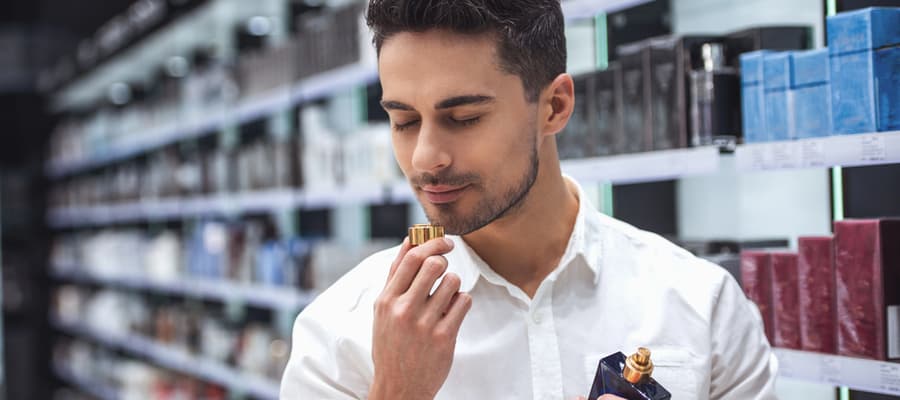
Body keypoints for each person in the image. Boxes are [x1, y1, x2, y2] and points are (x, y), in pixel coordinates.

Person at [280, 0, 778, 399]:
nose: (425, 157)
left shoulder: (700, 303)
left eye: (465, 117)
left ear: (555, 106)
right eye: (404, 121)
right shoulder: (339, 334)